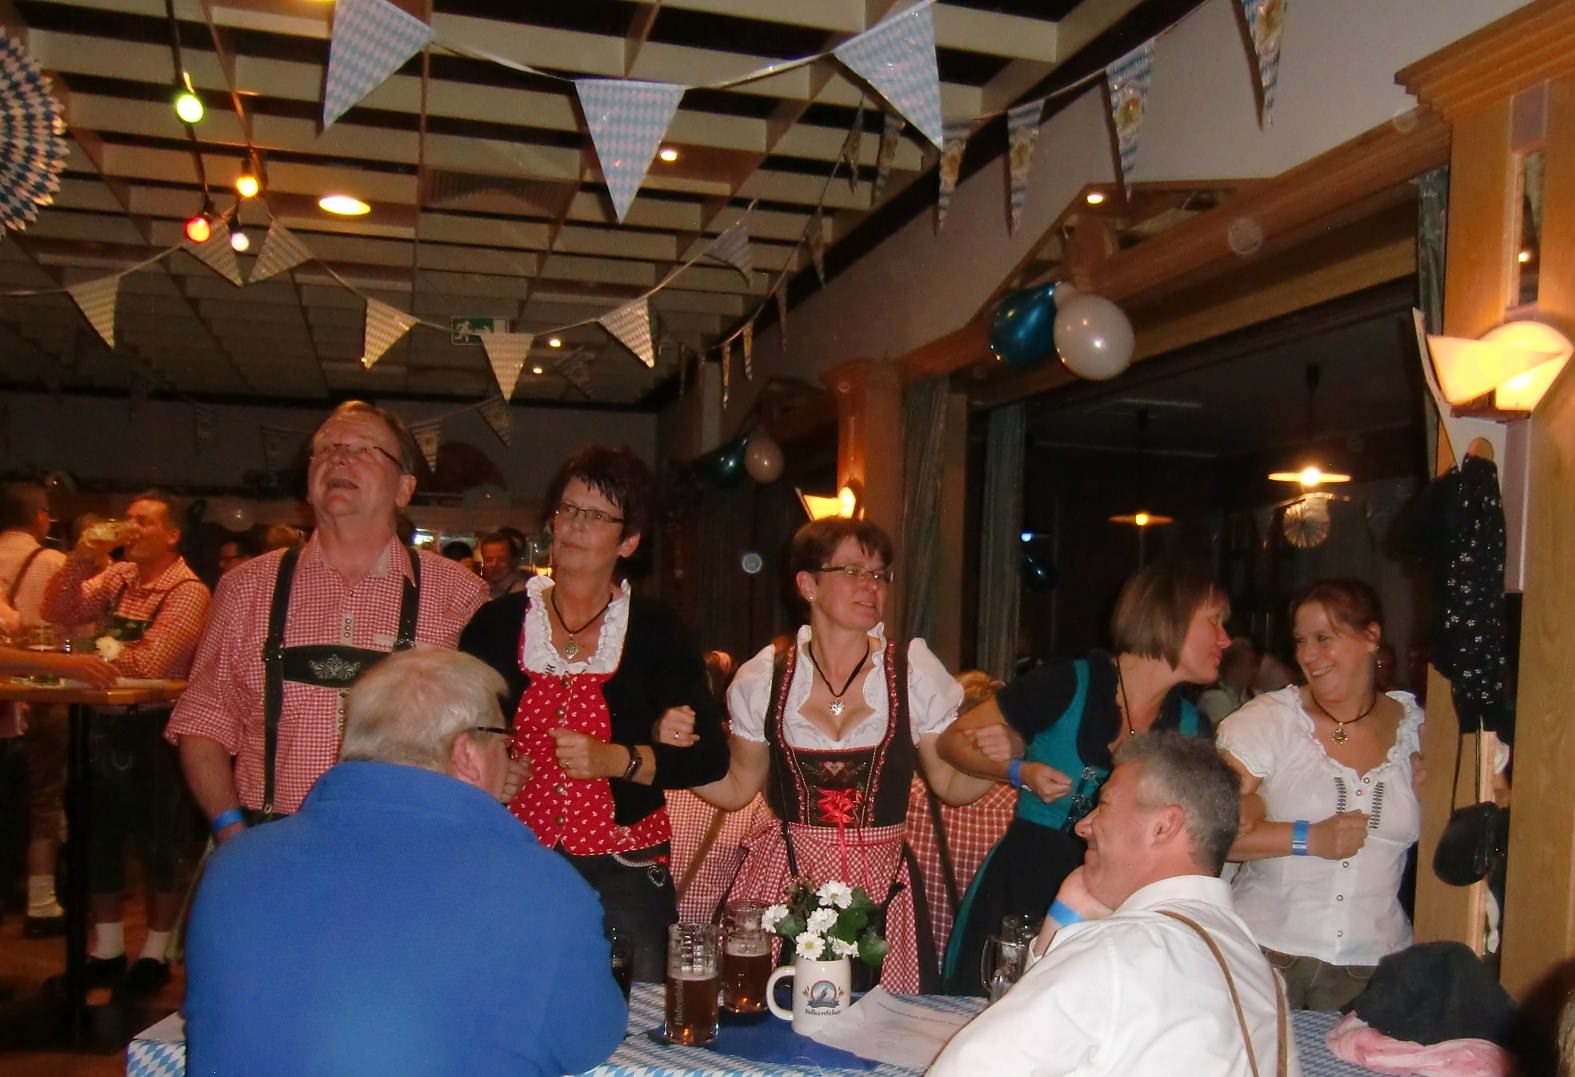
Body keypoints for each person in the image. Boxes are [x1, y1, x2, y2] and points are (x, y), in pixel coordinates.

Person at [183, 647, 626, 1077]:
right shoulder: (542, 886)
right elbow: (587, 1042)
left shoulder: (234, 866)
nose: (508, 759)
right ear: (467, 754)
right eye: (503, 744)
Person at [673, 518, 993, 993]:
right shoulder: (765, 678)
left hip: (882, 887)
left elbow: (951, 784)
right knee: (778, 1014)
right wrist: (676, 756)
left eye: (880, 574)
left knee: (877, 1025)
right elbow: (738, 787)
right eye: (853, 571)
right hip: (786, 884)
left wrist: (1003, 763)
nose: (871, 585)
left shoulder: (912, 671)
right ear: (808, 585)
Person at [460, 444, 729, 982]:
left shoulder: (657, 631)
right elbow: (454, 732)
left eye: (597, 515)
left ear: (628, 541)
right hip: (513, 854)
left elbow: (708, 759)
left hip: (625, 864)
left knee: (635, 1008)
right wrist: (492, 770)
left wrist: (617, 759)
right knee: (510, 996)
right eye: (568, 509)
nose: (576, 525)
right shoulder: (495, 624)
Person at [167, 401, 489, 844]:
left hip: (406, 844)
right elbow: (203, 722)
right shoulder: (245, 587)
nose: (339, 458)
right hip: (270, 839)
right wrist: (231, 831)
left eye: (364, 449)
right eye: (326, 449)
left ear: (404, 488)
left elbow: (484, 739)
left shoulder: (460, 594)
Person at [938, 560, 1229, 995]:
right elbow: (951, 742)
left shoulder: (1191, 727)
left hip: (1121, 902)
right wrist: (1018, 771)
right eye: (1215, 622)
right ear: (1170, 617)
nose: (1226, 639)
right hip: (1024, 885)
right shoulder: (1067, 683)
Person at [930, 733, 1296, 1077]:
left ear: (1163, 826)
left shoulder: (1116, 953)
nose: (1083, 826)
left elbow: (968, 1068)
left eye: (1102, 806)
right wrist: (1065, 917)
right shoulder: (1260, 972)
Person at [1218, 578, 1424, 1011]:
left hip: (1372, 970)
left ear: (1371, 636)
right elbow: (1211, 832)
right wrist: (1308, 838)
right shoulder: (1269, 722)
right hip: (1264, 955)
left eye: (1323, 639)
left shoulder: (1418, 731)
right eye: (1300, 641)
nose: (1307, 656)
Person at [42, 490, 212, 994]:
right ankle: (108, 949)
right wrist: (81, 558)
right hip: (99, 721)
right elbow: (58, 609)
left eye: (143, 521)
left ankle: (155, 955)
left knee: (160, 844)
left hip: (155, 727)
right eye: (128, 519)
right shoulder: (118, 576)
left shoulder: (187, 590)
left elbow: (153, 661)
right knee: (99, 840)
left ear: (172, 535)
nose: (131, 529)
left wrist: (80, 656)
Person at [0, 479, 71, 936]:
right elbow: (75, 630)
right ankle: (41, 900)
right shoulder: (53, 563)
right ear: (40, 517)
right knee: (46, 797)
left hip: (6, 705)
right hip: (42, 696)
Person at [1199, 636, 1262, 723]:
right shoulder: (1212, 698)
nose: (1256, 670)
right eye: (1250, 665)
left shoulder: (1255, 694)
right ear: (1234, 667)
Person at [478, 529, 527, 598]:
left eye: (501, 559)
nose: (494, 564)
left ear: (513, 560)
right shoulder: (480, 589)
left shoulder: (522, 592)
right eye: (489, 559)